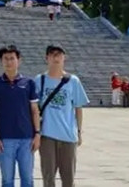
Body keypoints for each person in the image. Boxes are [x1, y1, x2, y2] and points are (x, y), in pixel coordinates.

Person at [35, 45, 89, 187]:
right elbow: (33, 108)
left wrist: (79, 132)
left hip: (68, 136)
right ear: (46, 58)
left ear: (64, 58)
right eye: (52, 54)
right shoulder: (39, 80)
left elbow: (78, 108)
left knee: (68, 179)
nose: (56, 57)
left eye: (59, 54)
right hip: (47, 135)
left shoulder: (73, 81)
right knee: (48, 179)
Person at [0, 45, 40, 187]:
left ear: (19, 60)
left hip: (26, 139)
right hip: (5, 139)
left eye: (12, 58)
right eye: (6, 59)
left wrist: (37, 134)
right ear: (1, 61)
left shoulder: (29, 83)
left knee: (27, 179)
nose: (9, 62)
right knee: (7, 180)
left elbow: (35, 110)